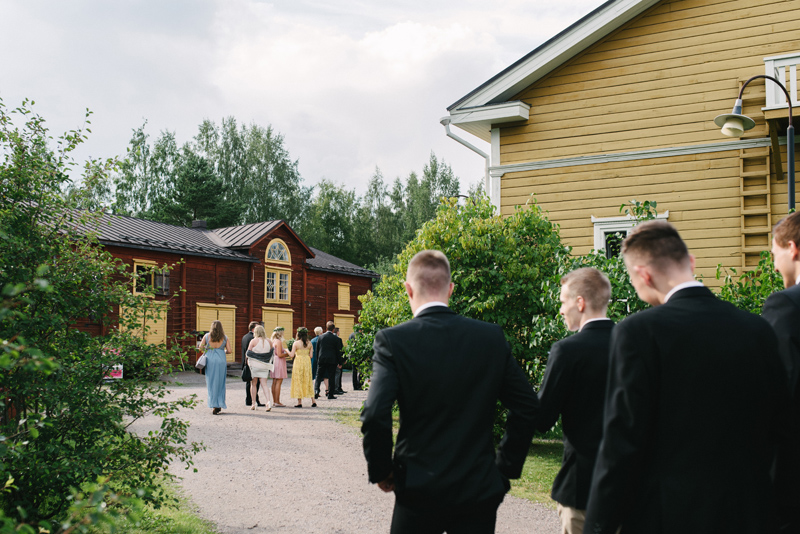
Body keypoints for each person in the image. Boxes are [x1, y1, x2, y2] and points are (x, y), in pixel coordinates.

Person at [584, 221, 791, 533]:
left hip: (669, 517)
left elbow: (621, 443)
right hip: (749, 514)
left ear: (644, 275)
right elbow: (782, 429)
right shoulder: (757, 329)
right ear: (690, 262)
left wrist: (598, 527)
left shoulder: (638, 332)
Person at [360, 250, 538, 534]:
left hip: (417, 487)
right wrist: (505, 467)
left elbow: (375, 413)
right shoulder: (489, 338)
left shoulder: (394, 341)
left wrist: (383, 471)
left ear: (408, 289)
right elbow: (527, 405)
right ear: (451, 289)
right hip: (478, 486)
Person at [536, 267, 613, 534]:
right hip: (630, 488)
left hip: (582, 486)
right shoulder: (634, 344)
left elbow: (542, 419)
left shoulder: (567, 351)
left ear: (580, 303)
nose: (560, 310)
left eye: (562, 302)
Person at [762, 211, 800, 532]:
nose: (775, 265)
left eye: (775, 254)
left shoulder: (786, 305)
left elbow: (779, 389)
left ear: (793, 248)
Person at [201, 320, 231, 415]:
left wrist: (208, 350)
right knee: (220, 383)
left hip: (210, 360)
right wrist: (222, 351)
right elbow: (229, 350)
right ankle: (220, 403)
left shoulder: (207, 336)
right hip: (221, 360)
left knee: (211, 382)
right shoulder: (225, 337)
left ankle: (213, 404)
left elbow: (201, 347)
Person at [246, 325, 274, 412]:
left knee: (253, 384)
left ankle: (254, 403)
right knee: (264, 384)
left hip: (255, 365)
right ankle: (268, 402)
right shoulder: (269, 341)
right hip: (264, 365)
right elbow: (271, 353)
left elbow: (248, 353)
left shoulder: (253, 341)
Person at [314, 321, 343, 400]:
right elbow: (338, 351)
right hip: (332, 360)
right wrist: (340, 362)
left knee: (319, 375)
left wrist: (318, 359)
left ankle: (316, 390)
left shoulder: (320, 337)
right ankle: (330, 394)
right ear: (333, 329)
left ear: (326, 328)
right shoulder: (336, 338)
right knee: (331, 376)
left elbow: (317, 349)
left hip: (322, 359)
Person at [288, 327, 315, 407]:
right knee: (308, 380)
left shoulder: (296, 343)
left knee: (298, 380)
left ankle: (299, 402)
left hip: (298, 362)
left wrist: (286, 350)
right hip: (307, 362)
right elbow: (311, 356)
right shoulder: (309, 343)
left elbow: (291, 355)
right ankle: (313, 400)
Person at [242, 321, 264, 407]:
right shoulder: (253, 338)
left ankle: (248, 399)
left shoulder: (244, 337)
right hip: (253, 363)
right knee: (255, 383)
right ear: (254, 329)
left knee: (249, 382)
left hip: (246, 362)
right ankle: (254, 400)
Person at [270, 326, 289, 407]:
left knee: (274, 381)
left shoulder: (273, 341)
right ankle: (277, 401)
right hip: (279, 362)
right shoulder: (278, 342)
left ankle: (275, 401)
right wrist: (287, 353)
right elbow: (280, 354)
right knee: (278, 381)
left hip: (274, 361)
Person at [333, 327, 345, 394]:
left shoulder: (330, 339)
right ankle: (337, 388)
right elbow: (341, 351)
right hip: (337, 359)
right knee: (338, 374)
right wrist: (342, 360)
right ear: (337, 332)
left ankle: (337, 388)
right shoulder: (338, 339)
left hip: (331, 359)